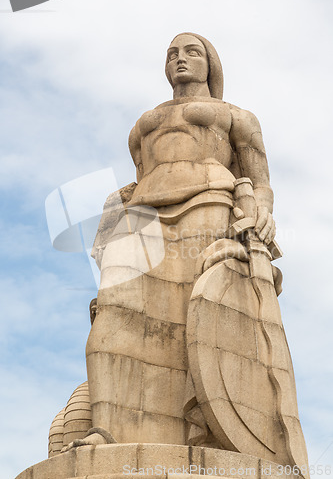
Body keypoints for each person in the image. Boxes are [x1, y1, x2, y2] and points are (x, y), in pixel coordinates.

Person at [63, 34, 308, 473]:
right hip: (141, 216)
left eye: (191, 52)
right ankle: (109, 424)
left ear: (209, 63)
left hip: (207, 203)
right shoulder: (144, 124)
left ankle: (208, 428)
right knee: (113, 315)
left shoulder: (236, 116)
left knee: (190, 315)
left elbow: (259, 178)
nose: (180, 59)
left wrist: (262, 211)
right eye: (172, 54)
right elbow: (140, 176)